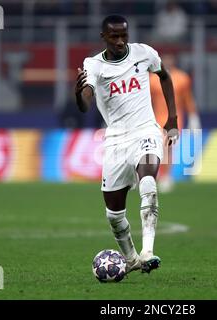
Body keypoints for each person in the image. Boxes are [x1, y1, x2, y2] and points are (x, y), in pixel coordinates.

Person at [75, 15, 178, 275]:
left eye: (124, 35)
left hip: (146, 130)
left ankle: (148, 251)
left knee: (148, 182)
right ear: (103, 37)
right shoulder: (94, 65)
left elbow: (164, 76)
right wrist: (79, 94)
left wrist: (172, 117)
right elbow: (86, 102)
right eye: (114, 36)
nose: (120, 41)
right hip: (116, 141)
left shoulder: (144, 53)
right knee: (114, 215)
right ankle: (132, 260)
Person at [150, 53, 201, 192]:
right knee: (154, 148)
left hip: (174, 119)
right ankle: (150, 176)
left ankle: (166, 176)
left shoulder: (182, 78)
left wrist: (193, 117)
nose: (167, 61)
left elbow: (187, 99)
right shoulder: (153, 79)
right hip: (155, 118)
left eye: (170, 58)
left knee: (167, 147)